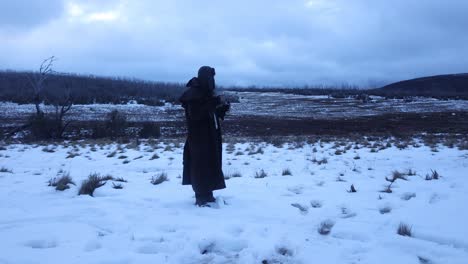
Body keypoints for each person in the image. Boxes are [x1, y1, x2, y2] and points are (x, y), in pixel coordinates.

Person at [179, 66, 230, 207]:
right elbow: (195, 115)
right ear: (204, 78)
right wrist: (214, 102)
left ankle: (208, 194)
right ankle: (200, 196)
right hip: (198, 139)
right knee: (200, 166)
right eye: (210, 78)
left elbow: (210, 113)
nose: (212, 81)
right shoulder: (193, 94)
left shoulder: (207, 93)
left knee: (210, 164)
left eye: (213, 78)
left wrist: (222, 108)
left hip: (210, 137)